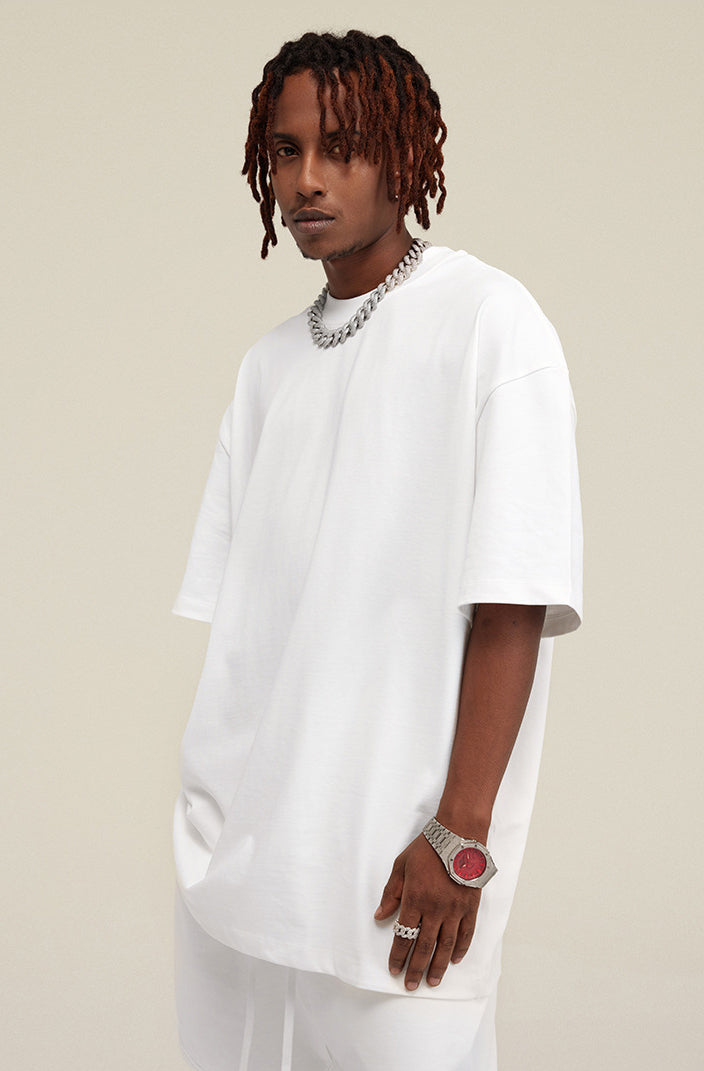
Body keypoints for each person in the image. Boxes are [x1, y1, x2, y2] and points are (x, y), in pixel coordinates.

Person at [171, 29, 583, 1071]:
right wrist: (211, 829)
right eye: (285, 151)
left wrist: (460, 836)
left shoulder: (490, 324)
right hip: (241, 875)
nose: (305, 179)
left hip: (402, 873)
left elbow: (514, 598)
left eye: (341, 147)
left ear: (405, 155)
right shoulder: (267, 368)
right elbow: (252, 633)